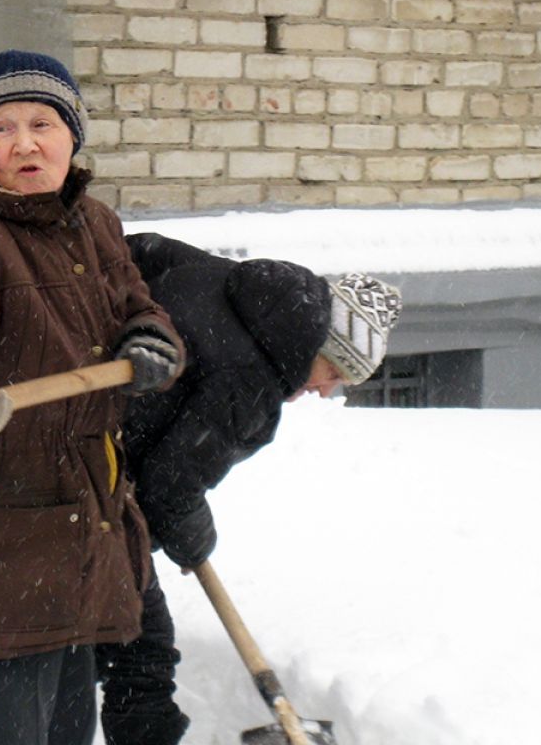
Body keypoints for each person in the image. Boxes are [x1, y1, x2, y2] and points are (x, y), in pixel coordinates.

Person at [0, 50, 186, 745]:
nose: (23, 143)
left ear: (73, 135)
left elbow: (141, 309)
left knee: (63, 734)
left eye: (42, 123)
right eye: (2, 127)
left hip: (73, 521)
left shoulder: (96, 225)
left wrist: (147, 342)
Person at [95, 232, 402, 745]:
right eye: (335, 371)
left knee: (97, 644)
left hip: (76, 452)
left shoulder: (223, 279)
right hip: (97, 489)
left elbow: (138, 249)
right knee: (141, 657)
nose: (326, 389)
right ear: (319, 345)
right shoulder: (253, 379)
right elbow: (170, 486)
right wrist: (193, 539)